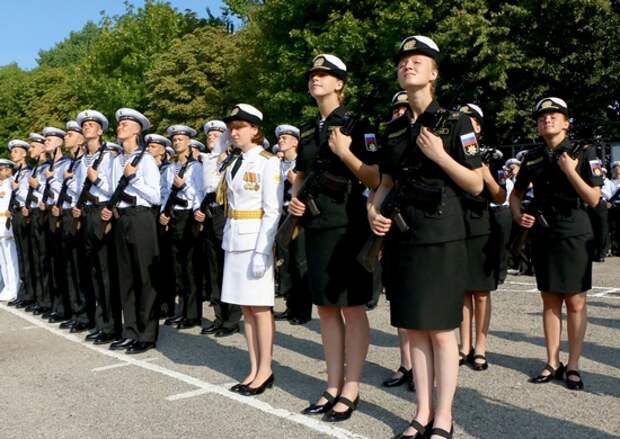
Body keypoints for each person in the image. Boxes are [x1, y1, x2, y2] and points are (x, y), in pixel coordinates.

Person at [368, 36, 483, 439]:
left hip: (442, 237)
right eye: (403, 61)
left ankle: (444, 416)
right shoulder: (393, 129)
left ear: (434, 73)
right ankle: (421, 411)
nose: (408, 65)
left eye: (418, 61)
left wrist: (440, 156)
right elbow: (384, 183)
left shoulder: (456, 123)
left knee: (441, 330)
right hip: (403, 237)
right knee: (414, 326)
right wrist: (372, 211)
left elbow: (475, 184)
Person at [288, 54, 380, 422]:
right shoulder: (308, 130)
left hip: (348, 225)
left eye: (324, 75)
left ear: (340, 83)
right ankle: (331, 384)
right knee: (326, 308)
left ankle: (351, 387)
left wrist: (345, 153)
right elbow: (300, 173)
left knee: (352, 307)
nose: (316, 79)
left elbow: (375, 177)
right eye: (313, 74)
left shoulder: (359, 125)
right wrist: (295, 198)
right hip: (316, 225)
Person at [509, 97, 602, 391]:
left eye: (554, 115)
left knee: (575, 301)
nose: (547, 119)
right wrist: (519, 215)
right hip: (544, 232)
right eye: (542, 117)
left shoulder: (583, 152)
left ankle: (573, 364)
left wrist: (570, 170)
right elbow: (515, 195)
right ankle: (552, 361)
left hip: (575, 231)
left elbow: (594, 198)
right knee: (549, 300)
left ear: (566, 123)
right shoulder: (532, 157)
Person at [219, 104, 283, 396]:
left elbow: (272, 210)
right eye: (231, 128)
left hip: (255, 240)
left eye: (240, 127)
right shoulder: (234, 162)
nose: (234, 133)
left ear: (255, 130)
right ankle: (254, 367)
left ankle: (265, 369)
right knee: (245, 307)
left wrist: (262, 251)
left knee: (259, 308)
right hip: (234, 238)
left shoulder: (267, 162)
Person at [103, 108, 161, 354]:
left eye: (125, 124)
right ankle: (130, 331)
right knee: (125, 278)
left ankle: (147, 334)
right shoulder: (115, 161)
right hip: (122, 219)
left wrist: (134, 178)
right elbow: (110, 190)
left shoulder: (145, 160)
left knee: (145, 277)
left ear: (137, 130)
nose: (120, 127)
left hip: (141, 218)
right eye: (119, 124)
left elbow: (156, 196)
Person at [457, 104, 506, 372]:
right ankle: (464, 345)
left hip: (482, 227)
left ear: (479, 127)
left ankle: (481, 347)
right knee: (463, 291)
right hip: (457, 227)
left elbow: (500, 196)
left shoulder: (490, 156)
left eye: (472, 120)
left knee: (482, 293)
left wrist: (486, 175)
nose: (467, 124)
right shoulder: (453, 152)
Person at [73, 110, 119, 344]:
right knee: (93, 271)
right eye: (85, 125)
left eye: (91, 125)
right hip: (88, 213)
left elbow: (115, 188)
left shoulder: (110, 157)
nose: (87, 127)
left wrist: (96, 179)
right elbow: (77, 187)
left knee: (106, 271)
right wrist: (77, 207)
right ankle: (101, 323)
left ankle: (112, 326)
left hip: (102, 212)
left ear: (100, 131)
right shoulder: (82, 159)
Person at [381, 91, 414, 392]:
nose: (400, 113)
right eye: (396, 110)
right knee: (400, 299)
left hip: (422, 225)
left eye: (405, 109)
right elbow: (382, 182)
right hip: (392, 224)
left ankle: (423, 367)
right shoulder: (389, 141)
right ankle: (406, 362)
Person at [197, 120, 241, 337]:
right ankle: (219, 316)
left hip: (226, 214)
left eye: (216, 135)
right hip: (210, 214)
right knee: (214, 269)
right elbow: (202, 189)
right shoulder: (206, 160)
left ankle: (232, 319)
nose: (211, 138)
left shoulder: (235, 159)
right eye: (209, 135)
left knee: (228, 268)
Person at [159, 124, 204, 329]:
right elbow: (164, 193)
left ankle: (192, 314)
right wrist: (164, 212)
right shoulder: (170, 168)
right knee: (177, 267)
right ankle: (182, 310)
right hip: (174, 215)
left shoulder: (196, 168)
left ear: (188, 142)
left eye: (180, 139)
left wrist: (183, 185)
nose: (177, 142)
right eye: (175, 140)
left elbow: (200, 194)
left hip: (188, 216)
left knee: (190, 266)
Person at [51, 120, 90, 332]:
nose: (66, 137)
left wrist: (67, 180)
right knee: (70, 267)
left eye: (70, 134)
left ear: (81, 139)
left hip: (79, 215)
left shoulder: (83, 162)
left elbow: (83, 190)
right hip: (66, 214)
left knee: (80, 266)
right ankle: (76, 313)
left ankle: (85, 314)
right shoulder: (72, 163)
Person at [272, 124, 312, 326]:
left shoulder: (302, 163)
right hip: (281, 216)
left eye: (286, 138)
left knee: (300, 262)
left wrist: (297, 181)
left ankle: (303, 310)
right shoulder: (276, 164)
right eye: (280, 138)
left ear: (296, 142)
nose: (281, 140)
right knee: (285, 263)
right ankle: (290, 305)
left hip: (298, 217)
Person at [146, 133, 176, 319]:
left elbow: (169, 193)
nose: (149, 150)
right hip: (149, 215)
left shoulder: (167, 169)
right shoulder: (147, 167)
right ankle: (155, 302)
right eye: (148, 146)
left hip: (162, 214)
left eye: (154, 147)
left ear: (163, 150)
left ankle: (167, 304)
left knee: (165, 262)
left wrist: (165, 214)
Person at [23, 132, 52, 316]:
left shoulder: (48, 167)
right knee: (36, 259)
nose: (30, 150)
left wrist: (38, 186)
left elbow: (50, 193)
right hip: (33, 214)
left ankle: (47, 300)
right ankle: (40, 299)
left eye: (33, 146)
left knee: (44, 258)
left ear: (42, 148)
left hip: (44, 215)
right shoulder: (36, 168)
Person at [6, 140, 32, 308]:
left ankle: (30, 293)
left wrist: (16, 189)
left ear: (24, 154)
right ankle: (24, 291)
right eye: (12, 151)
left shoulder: (28, 172)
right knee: (21, 254)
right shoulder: (17, 174)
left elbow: (27, 194)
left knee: (28, 255)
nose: (12, 154)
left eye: (16, 151)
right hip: (16, 214)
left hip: (24, 214)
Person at [0, 159, 21, 302]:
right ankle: (7, 287)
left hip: (8, 225)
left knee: (10, 258)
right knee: (3, 260)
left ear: (8, 170)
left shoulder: (12, 183)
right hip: (0, 225)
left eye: (1, 170)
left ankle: (14, 288)